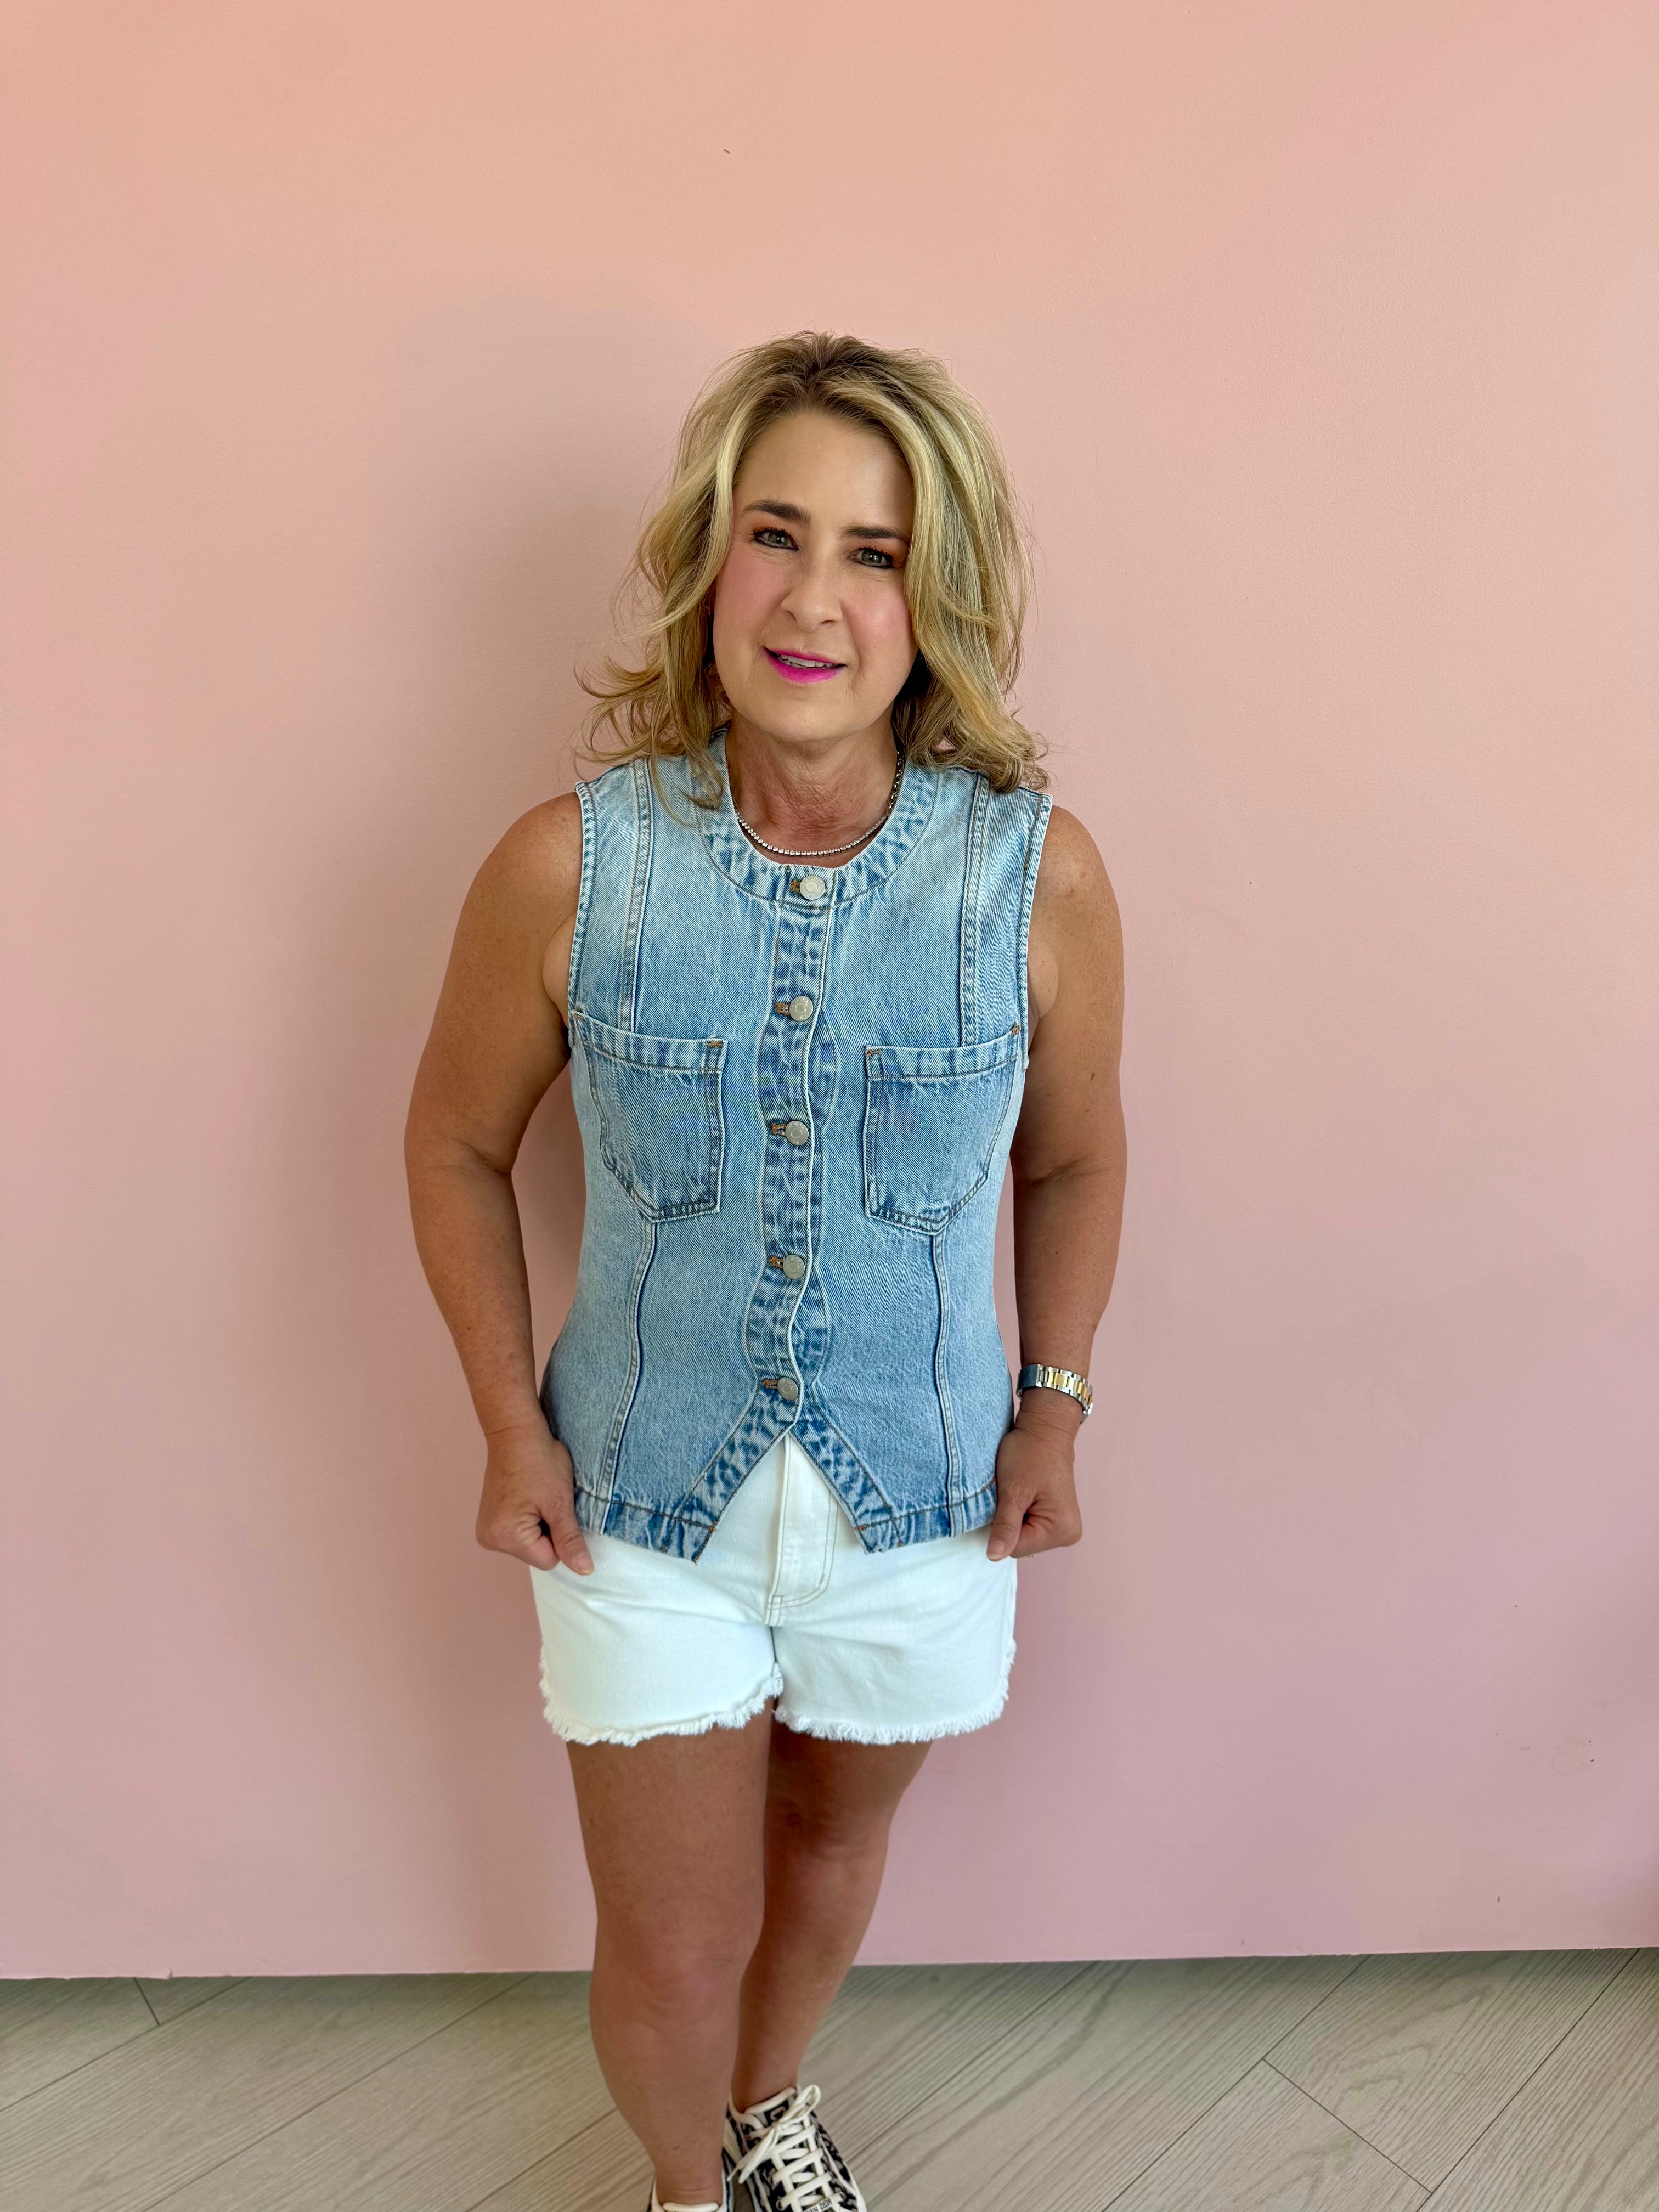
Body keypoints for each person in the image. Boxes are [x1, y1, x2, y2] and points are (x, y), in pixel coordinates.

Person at [405, 332, 1126, 2212]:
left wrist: (1053, 1410)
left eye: (875, 553)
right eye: (774, 534)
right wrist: (509, 1428)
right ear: (707, 561)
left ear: (936, 599)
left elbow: (1073, 1159)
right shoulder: (568, 870)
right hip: (640, 1499)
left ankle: (769, 2102)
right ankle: (685, 2187)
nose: (814, 600)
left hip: (926, 1489)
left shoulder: (1036, 882)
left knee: (823, 1856)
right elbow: (455, 1145)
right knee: (672, 1938)